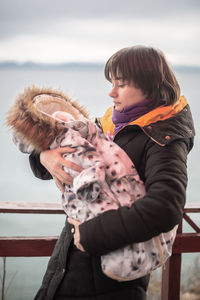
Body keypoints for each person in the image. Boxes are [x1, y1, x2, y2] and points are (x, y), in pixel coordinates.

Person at [28, 46, 195, 300]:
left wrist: (89, 235)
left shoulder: (164, 139)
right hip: (68, 266)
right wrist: (44, 157)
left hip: (113, 277)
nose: (111, 92)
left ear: (150, 87)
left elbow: (165, 207)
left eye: (121, 84)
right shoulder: (113, 124)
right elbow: (60, 159)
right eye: (112, 82)